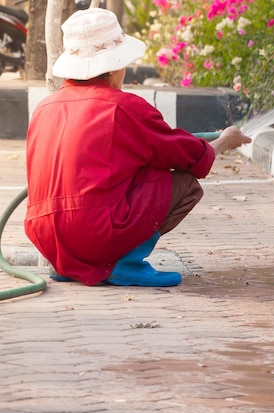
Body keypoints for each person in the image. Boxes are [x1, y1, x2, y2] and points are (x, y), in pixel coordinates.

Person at [24, 8, 251, 287]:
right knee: (184, 184)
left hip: (44, 234)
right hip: (93, 232)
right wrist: (222, 142)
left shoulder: (44, 106)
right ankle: (124, 264)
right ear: (115, 66)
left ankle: (72, 266)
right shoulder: (123, 107)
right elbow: (186, 156)